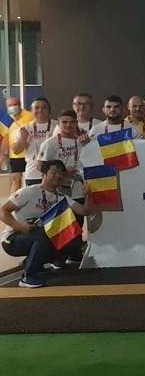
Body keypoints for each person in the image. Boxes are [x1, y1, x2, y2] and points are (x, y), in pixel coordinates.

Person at [1, 160, 93, 288]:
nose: (58, 176)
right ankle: (29, 276)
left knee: (73, 239)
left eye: (61, 173)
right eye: (54, 172)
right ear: (43, 174)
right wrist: (19, 226)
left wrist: (88, 195)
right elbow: (3, 210)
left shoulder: (62, 198)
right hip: (13, 239)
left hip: (38, 236)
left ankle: (36, 263)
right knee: (45, 234)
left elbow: (84, 211)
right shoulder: (28, 192)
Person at [37, 109, 90, 266]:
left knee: (77, 222)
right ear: (59, 124)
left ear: (76, 123)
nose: (68, 125)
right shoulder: (50, 143)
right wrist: (61, 174)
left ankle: (74, 254)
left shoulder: (82, 141)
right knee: (59, 224)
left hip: (77, 187)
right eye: (64, 122)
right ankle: (57, 257)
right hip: (58, 189)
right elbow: (41, 166)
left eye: (72, 122)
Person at [12, 98, 57, 187]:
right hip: (33, 173)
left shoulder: (57, 126)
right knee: (35, 200)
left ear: (49, 110)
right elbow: (16, 151)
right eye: (36, 108)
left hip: (54, 172)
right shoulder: (25, 128)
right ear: (32, 111)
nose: (40, 110)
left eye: (44, 107)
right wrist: (23, 138)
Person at [3, 96, 36, 194]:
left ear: (20, 104)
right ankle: (14, 202)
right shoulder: (7, 120)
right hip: (15, 154)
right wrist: (4, 154)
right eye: (10, 105)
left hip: (30, 152)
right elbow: (6, 137)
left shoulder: (30, 116)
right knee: (15, 178)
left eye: (15, 104)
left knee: (32, 177)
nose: (13, 107)